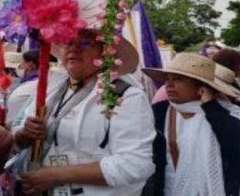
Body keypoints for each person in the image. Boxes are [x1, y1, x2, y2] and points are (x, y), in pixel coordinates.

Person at [12, 29, 155, 195]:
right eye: (68, 42)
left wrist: (58, 175)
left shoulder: (125, 96)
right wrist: (25, 134)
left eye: (85, 42)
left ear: (105, 51)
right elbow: (17, 136)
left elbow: (135, 164)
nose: (74, 48)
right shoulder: (50, 89)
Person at [144, 53, 240, 196]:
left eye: (178, 79)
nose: (169, 85)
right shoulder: (159, 111)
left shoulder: (224, 112)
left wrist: (210, 106)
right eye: (167, 79)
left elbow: (234, 145)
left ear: (200, 86)